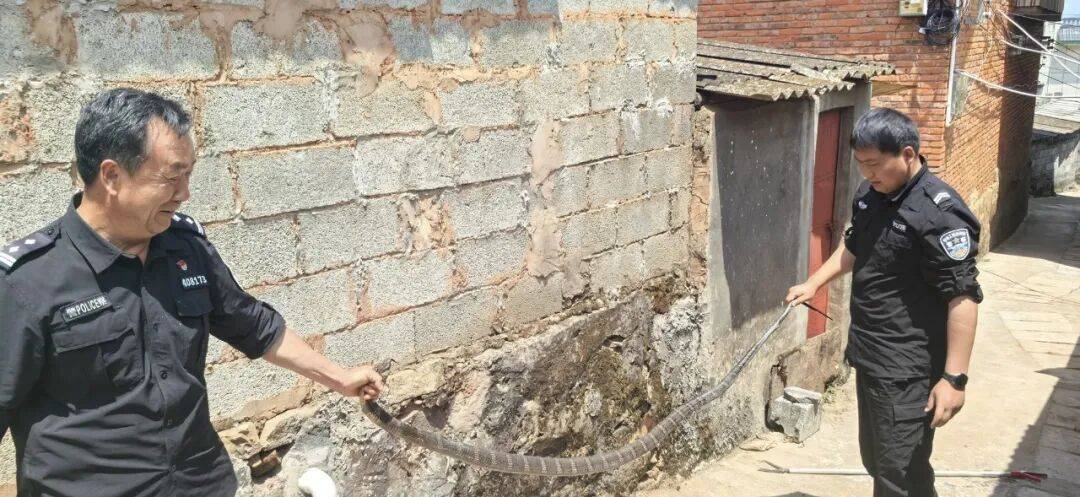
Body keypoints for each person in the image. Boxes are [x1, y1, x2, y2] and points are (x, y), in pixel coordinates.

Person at [0, 88, 386, 497]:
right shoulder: (29, 281)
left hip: (200, 483)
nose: (184, 193)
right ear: (111, 176)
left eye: (188, 175)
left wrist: (340, 378)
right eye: (171, 177)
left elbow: (255, 327)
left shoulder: (185, 248)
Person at [786, 108, 981, 497]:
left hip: (909, 367)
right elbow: (856, 246)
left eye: (874, 164)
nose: (867, 174)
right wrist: (814, 282)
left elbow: (963, 298)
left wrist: (954, 379)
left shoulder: (939, 214)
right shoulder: (871, 195)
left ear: (907, 154)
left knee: (899, 473)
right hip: (872, 355)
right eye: (861, 164)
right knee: (879, 462)